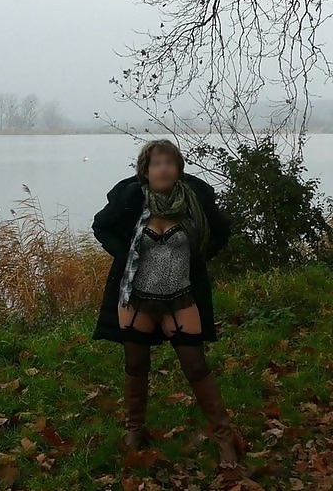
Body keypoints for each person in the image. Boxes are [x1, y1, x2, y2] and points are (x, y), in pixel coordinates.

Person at [90, 139, 245, 468]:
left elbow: (220, 230)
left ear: (178, 169)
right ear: (145, 170)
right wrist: (124, 256)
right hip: (136, 298)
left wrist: (200, 258)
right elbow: (101, 226)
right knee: (135, 366)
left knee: (196, 366)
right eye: (156, 163)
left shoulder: (194, 201)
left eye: (170, 163)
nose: (163, 168)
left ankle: (223, 436)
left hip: (181, 297)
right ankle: (135, 430)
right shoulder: (131, 199)